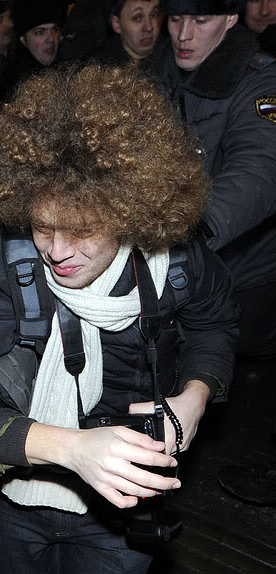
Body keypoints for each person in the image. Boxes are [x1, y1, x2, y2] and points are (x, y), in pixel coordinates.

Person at [0, 64, 239, 573]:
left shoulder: (174, 262)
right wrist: (71, 449)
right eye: (43, 227)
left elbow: (215, 321)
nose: (57, 251)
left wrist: (194, 398)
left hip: (125, 513)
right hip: (15, 503)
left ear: (128, 211)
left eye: (82, 231)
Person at [143, 0, 276, 506]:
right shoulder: (157, 72)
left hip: (245, 271)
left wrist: (181, 233)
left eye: (200, 21)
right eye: (175, 19)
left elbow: (259, 171)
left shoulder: (260, 81)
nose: (183, 33)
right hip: (181, 265)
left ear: (230, 19)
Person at [0, 0, 67, 97]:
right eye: (40, 32)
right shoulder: (13, 84)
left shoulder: (69, 71)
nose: (51, 39)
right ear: (23, 40)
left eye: (55, 29)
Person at [96, 0, 163, 64]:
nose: (149, 27)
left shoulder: (170, 58)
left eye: (154, 14)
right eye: (137, 18)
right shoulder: (99, 71)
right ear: (117, 24)